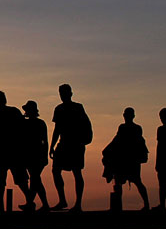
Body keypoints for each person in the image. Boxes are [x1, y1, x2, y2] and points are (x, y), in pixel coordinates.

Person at [50, 84, 92, 212]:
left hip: (76, 145)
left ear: (70, 94)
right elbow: (57, 129)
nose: (63, 95)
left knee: (77, 172)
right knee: (56, 171)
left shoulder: (78, 107)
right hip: (63, 144)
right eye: (61, 93)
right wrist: (52, 146)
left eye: (65, 93)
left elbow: (86, 124)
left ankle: (78, 204)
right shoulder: (59, 109)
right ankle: (62, 200)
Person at [0, 91, 32, 211]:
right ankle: (2, 205)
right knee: (0, 180)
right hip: (7, 152)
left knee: (18, 179)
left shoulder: (2, 115)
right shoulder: (11, 113)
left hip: (12, 151)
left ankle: (28, 202)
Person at [102, 107, 150, 210]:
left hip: (129, 160)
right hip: (127, 160)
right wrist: (106, 151)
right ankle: (144, 204)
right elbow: (116, 141)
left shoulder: (130, 128)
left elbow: (116, 142)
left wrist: (106, 151)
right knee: (123, 182)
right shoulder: (131, 128)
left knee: (132, 182)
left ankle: (146, 204)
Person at [21, 100, 49, 212]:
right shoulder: (29, 123)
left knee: (35, 180)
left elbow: (44, 141)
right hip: (30, 156)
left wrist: (45, 156)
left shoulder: (38, 123)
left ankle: (31, 203)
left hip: (36, 156)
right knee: (36, 180)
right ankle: (39, 204)